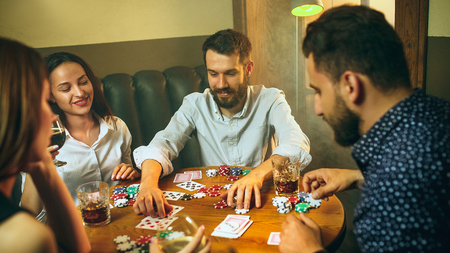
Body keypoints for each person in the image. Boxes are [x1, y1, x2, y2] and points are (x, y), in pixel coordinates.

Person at [279, 5, 450, 253]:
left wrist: (309, 250)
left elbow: (403, 181)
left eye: (318, 91)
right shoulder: (436, 112)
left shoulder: (391, 189)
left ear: (350, 85)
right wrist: (359, 177)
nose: (318, 108)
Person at [133, 29, 311, 218]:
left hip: (264, 198)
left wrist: (256, 176)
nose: (221, 84)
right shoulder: (194, 104)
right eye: (213, 74)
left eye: (230, 73)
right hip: (215, 200)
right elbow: (162, 144)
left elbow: (296, 142)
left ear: (248, 69)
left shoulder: (271, 99)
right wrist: (148, 184)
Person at [0, 37, 91, 252]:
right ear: (14, 113)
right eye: (43, 100)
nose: (52, 117)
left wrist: (42, 163)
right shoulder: (25, 237)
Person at [42, 52, 140, 205]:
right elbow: (30, 212)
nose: (80, 93)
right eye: (66, 89)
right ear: (51, 96)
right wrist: (37, 167)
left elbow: (129, 187)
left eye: (83, 82)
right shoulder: (43, 140)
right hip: (73, 227)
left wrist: (132, 175)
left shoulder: (117, 127)